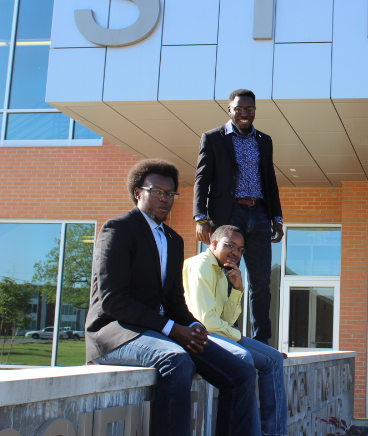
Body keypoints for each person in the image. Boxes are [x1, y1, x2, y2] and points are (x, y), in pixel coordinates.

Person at [85, 159, 262, 436]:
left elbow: (174, 302)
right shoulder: (118, 230)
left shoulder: (173, 239)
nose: (164, 198)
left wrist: (194, 326)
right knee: (177, 360)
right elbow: (113, 301)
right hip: (116, 332)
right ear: (138, 193)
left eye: (170, 194)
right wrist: (171, 328)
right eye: (156, 191)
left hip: (158, 331)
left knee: (241, 373)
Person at [194, 88, 283, 345]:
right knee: (226, 276)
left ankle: (262, 342)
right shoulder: (213, 138)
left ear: (255, 111)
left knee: (261, 282)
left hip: (260, 213)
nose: (245, 113)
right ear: (229, 110)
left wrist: (276, 218)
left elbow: (270, 180)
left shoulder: (264, 140)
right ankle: (227, 337)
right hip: (229, 214)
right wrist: (201, 217)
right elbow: (202, 178)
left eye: (250, 109)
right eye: (239, 109)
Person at [183, 225, 287, 436]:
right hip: (198, 336)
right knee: (243, 357)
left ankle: (275, 432)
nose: (236, 253)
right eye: (230, 245)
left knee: (274, 359)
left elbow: (226, 320)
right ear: (213, 243)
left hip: (217, 334)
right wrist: (239, 336)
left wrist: (237, 289)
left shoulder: (222, 272)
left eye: (240, 249)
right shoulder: (200, 266)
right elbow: (206, 322)